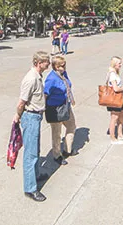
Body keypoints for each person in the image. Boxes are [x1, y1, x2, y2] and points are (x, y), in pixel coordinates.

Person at [13, 51, 51, 202]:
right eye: (45, 62)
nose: (48, 64)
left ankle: (35, 175)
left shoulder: (38, 76)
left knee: (36, 150)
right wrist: (17, 116)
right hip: (30, 117)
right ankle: (30, 188)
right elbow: (22, 102)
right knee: (31, 154)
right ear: (38, 63)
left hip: (37, 116)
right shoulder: (30, 79)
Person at [44, 55, 77, 165]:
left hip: (66, 105)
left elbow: (68, 86)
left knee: (71, 126)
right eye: (61, 66)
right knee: (56, 133)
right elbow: (45, 94)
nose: (64, 67)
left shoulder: (63, 74)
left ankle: (67, 149)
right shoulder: (51, 79)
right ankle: (56, 154)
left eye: (64, 65)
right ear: (55, 66)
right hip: (55, 108)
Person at [106, 56, 123, 145]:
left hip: (118, 99)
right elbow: (115, 88)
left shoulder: (115, 73)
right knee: (114, 118)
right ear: (115, 64)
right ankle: (113, 138)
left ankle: (120, 134)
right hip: (114, 99)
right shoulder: (112, 74)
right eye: (119, 63)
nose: (120, 65)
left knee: (122, 116)